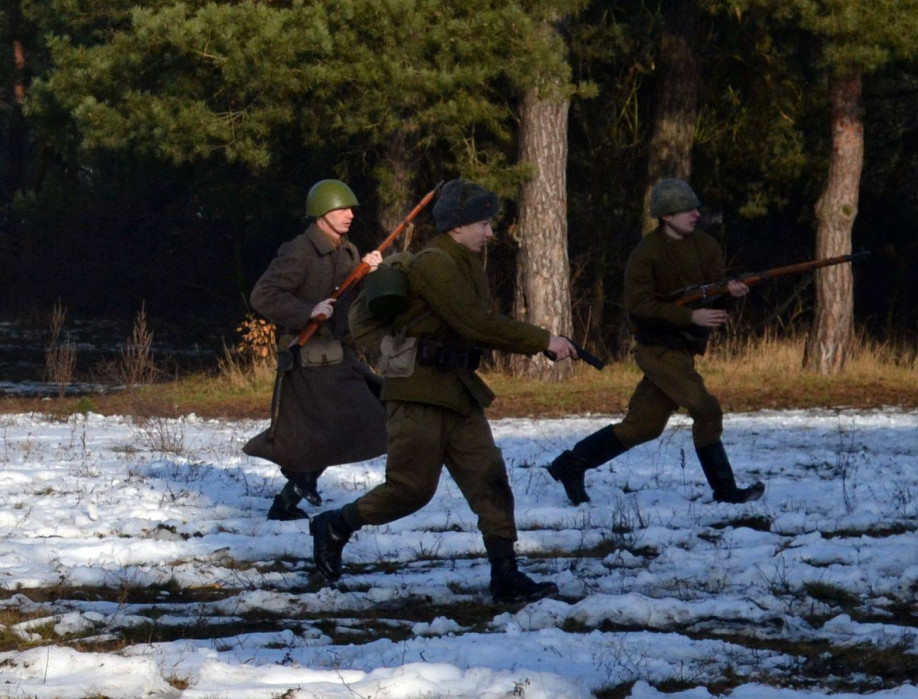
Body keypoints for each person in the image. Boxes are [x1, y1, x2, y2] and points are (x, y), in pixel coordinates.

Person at [308, 179, 576, 604]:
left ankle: (506, 576)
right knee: (410, 490)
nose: (490, 233)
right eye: (483, 224)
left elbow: (471, 324)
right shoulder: (435, 264)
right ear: (456, 227)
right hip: (418, 394)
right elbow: (474, 323)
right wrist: (544, 340)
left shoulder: (467, 262)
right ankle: (335, 525)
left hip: (457, 391)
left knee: (490, 480)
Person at [545, 178, 764, 507]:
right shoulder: (645, 255)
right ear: (666, 216)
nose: (695, 213)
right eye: (686, 209)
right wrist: (689, 318)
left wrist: (731, 296)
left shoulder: (707, 247)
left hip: (684, 349)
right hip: (657, 349)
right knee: (706, 410)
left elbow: (715, 304)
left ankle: (571, 465)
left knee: (641, 427)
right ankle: (726, 491)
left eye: (695, 208)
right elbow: (641, 307)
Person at [243, 179, 388, 521]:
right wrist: (307, 310)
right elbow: (263, 295)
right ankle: (294, 488)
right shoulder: (298, 251)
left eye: (351, 209)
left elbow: (353, 304)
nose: (349, 215)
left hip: (339, 356)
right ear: (321, 214)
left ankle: (290, 496)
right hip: (306, 359)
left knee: (373, 410)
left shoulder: (350, 252)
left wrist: (370, 273)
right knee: (330, 430)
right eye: (341, 209)